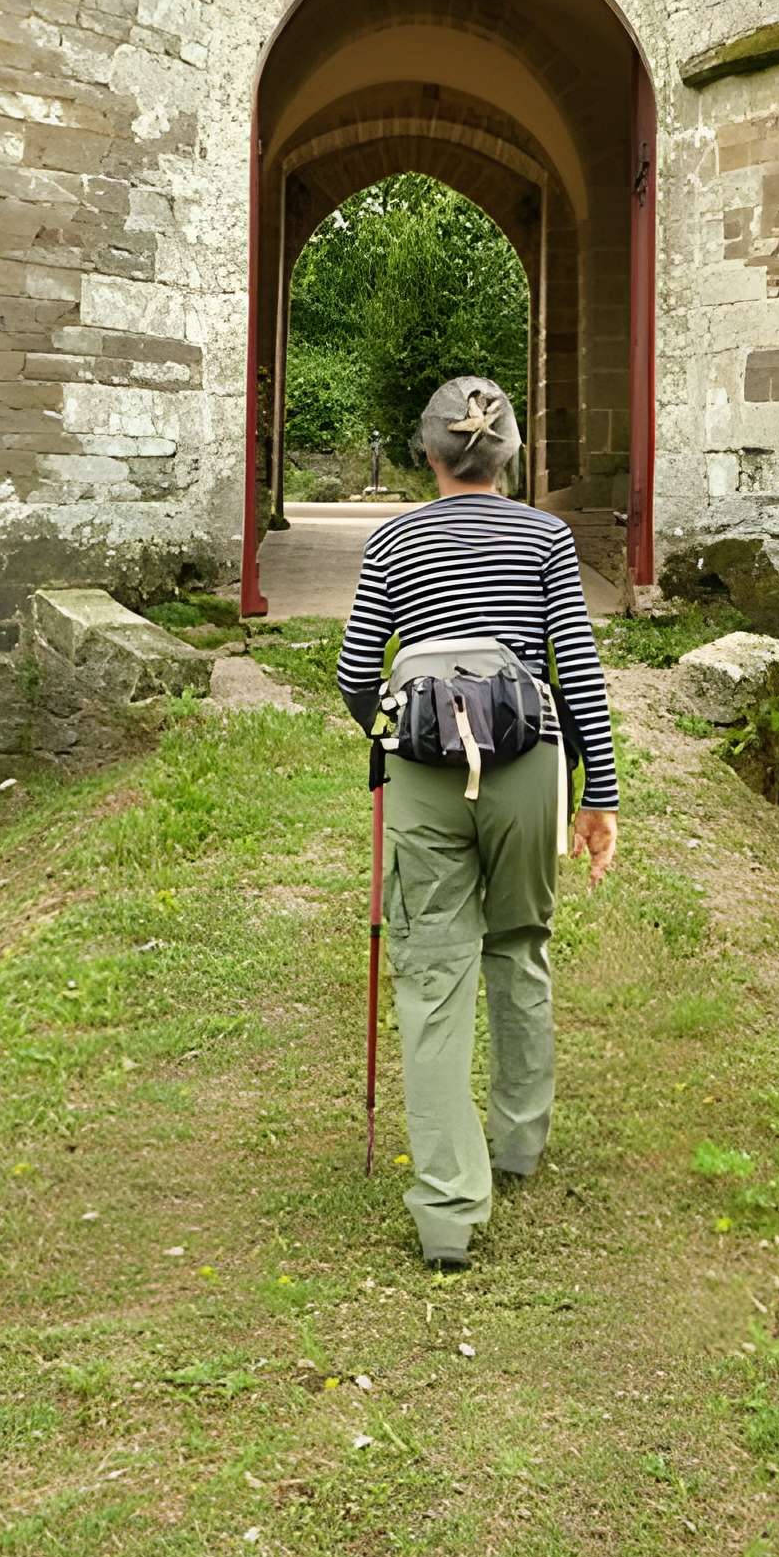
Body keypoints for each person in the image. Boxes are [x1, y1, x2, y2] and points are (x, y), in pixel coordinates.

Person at [336, 375, 619, 1270]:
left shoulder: (393, 540)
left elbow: (352, 674)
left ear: (428, 455)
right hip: (531, 767)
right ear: (510, 457)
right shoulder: (547, 536)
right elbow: (575, 670)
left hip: (423, 776)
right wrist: (599, 796)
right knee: (521, 941)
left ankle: (448, 1213)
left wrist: (398, 731)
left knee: (430, 977)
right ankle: (520, 1141)